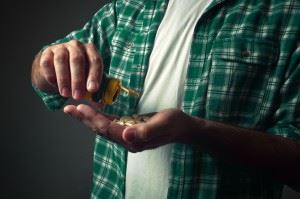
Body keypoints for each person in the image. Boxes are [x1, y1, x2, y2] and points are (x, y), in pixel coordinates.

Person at [31, 0, 300, 198]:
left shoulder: (286, 14)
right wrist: (48, 64)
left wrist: (196, 131)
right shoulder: (127, 8)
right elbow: (43, 77)